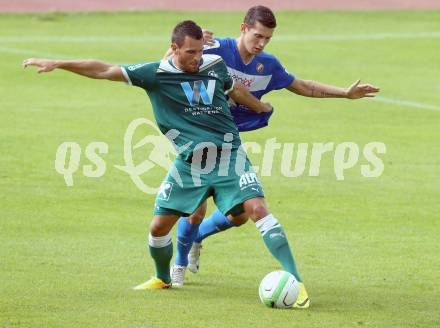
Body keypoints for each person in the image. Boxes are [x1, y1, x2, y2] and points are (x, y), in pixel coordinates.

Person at [23, 21, 304, 298]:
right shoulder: (155, 74)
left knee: (257, 209)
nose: (197, 58)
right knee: (158, 228)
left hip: (229, 154)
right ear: (173, 48)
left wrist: (261, 107)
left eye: (200, 51)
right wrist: (59, 63)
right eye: (190, 52)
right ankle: (162, 278)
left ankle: (297, 281)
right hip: (189, 161)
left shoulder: (215, 65)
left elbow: (235, 90)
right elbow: (104, 69)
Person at [171, 6, 379, 308]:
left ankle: (198, 238)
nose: (262, 44)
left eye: (268, 38)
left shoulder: (267, 66)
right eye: (257, 36)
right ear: (243, 28)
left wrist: (344, 94)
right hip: (197, 138)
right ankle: (178, 264)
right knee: (196, 209)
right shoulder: (214, 49)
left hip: (230, 144)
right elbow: (168, 64)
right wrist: (190, 44)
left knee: (241, 214)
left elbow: (302, 86)